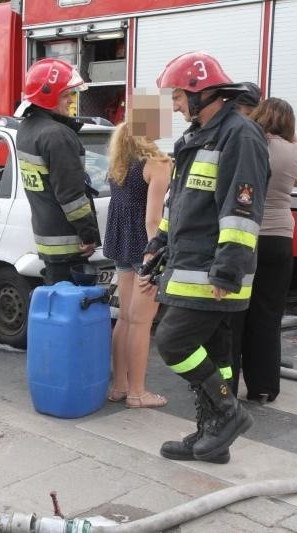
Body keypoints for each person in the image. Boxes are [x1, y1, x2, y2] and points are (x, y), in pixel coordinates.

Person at [141, 51, 270, 464]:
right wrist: (157, 248)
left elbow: (242, 211)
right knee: (216, 353)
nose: (174, 105)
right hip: (188, 263)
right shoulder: (197, 138)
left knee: (172, 341)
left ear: (201, 92)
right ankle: (211, 436)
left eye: (178, 96)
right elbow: (179, 204)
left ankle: (229, 414)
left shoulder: (240, 136)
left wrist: (227, 270)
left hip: (213, 271)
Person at [231, 97, 297, 403]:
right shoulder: (294, 150)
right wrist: (294, 140)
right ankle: (264, 387)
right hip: (280, 239)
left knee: (236, 315)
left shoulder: (249, 143)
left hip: (244, 236)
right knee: (267, 315)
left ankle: (226, 384)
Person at [103, 107, 172, 408]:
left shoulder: (120, 160)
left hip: (120, 245)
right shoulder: (158, 162)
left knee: (126, 319)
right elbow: (153, 220)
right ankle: (138, 392)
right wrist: (153, 257)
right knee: (143, 322)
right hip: (143, 248)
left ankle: (119, 387)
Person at [14, 58, 101, 285]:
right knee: (73, 312)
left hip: (48, 238)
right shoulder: (57, 135)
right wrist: (89, 234)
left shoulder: (26, 130)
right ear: (48, 97)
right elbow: (71, 196)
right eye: (66, 95)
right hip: (69, 243)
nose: (72, 100)